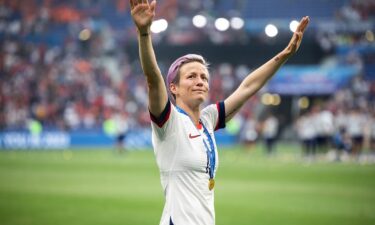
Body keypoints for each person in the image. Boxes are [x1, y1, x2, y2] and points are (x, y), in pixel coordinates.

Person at [129, 1, 309, 224]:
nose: (200, 82)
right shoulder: (169, 123)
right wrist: (144, 33)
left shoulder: (207, 120)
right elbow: (153, 80)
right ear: (173, 88)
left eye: (204, 77)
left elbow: (248, 87)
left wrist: (285, 54)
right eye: (191, 76)